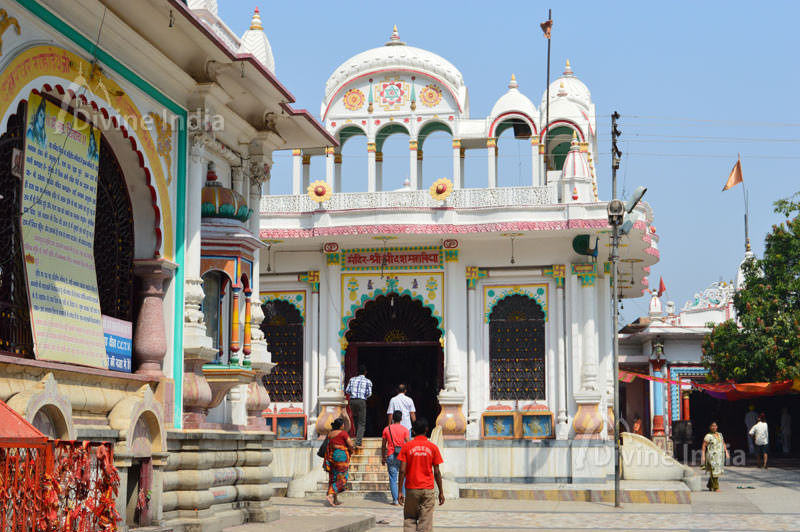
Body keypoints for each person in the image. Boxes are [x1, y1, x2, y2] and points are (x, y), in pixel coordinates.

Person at [398, 418, 445, 532]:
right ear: (427, 430)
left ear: (413, 431)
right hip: (428, 489)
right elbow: (437, 472)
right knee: (426, 521)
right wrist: (441, 492)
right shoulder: (433, 448)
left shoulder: (407, 447)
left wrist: (400, 491)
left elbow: (402, 470)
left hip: (411, 489)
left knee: (410, 518)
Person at [323, 417, 354, 506]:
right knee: (343, 478)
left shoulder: (330, 434)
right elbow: (350, 444)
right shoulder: (343, 433)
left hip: (332, 457)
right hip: (341, 457)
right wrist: (351, 449)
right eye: (343, 424)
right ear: (341, 426)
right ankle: (330, 493)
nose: (344, 425)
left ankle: (335, 499)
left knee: (334, 477)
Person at [382, 410, 411, 506]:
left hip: (390, 454)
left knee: (393, 478)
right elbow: (408, 443)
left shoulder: (387, 429)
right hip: (402, 455)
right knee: (404, 476)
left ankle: (395, 500)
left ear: (393, 418)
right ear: (401, 418)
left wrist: (383, 456)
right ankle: (403, 497)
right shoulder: (404, 429)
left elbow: (383, 445)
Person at [345, 365, 372, 447]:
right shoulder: (368, 381)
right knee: (362, 422)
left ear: (357, 372)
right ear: (365, 372)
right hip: (361, 401)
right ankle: (358, 441)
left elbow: (347, 391)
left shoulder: (352, 380)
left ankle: (357, 437)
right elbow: (369, 393)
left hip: (352, 401)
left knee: (356, 419)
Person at [701, 421, 729, 492]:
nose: (714, 427)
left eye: (715, 426)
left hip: (719, 457)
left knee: (717, 471)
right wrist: (703, 456)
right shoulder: (708, 436)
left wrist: (726, 452)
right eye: (712, 426)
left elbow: (723, 443)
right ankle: (716, 487)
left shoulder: (720, 434)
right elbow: (704, 446)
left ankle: (710, 485)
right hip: (711, 456)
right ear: (710, 427)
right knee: (714, 471)